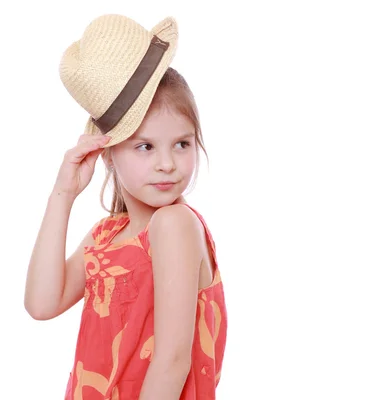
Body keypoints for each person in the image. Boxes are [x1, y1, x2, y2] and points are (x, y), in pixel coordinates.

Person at [24, 14, 227, 399]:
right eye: (145, 146)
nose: (167, 163)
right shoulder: (106, 236)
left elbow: (172, 361)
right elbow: (41, 302)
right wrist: (62, 196)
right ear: (108, 155)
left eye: (182, 144)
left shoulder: (174, 225)